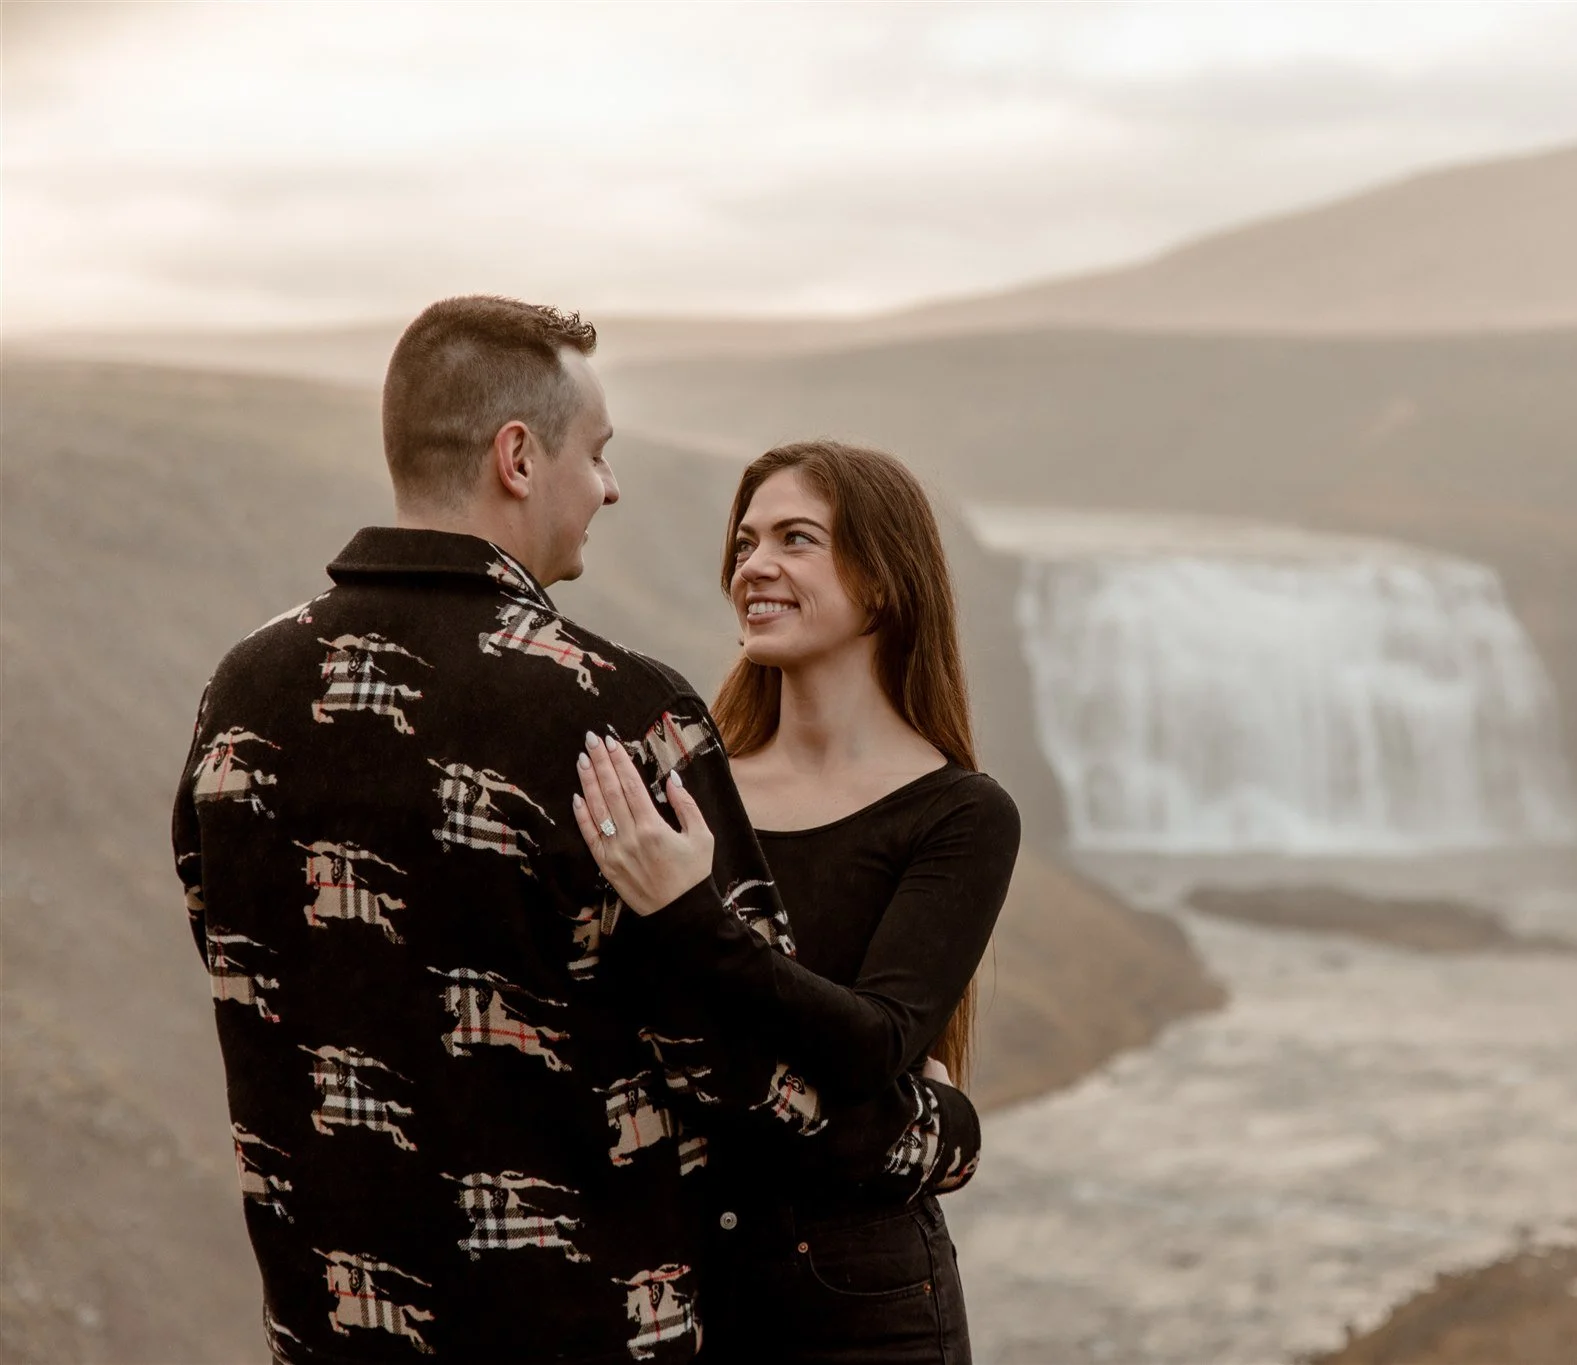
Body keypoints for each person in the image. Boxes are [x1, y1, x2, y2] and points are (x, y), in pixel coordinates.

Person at [172, 296, 979, 1365]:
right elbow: (748, 1080)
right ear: (518, 456)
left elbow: (237, 954)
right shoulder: (613, 712)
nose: (607, 487)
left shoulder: (242, 691)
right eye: (595, 454)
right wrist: (940, 1132)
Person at [570, 439, 1018, 1364]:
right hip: (677, 1290)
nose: (754, 566)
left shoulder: (960, 814)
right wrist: (934, 1128)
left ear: (885, 581)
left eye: (796, 538)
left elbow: (875, 1040)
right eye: (745, 542)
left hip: (862, 1303)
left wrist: (690, 914)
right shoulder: (688, 790)